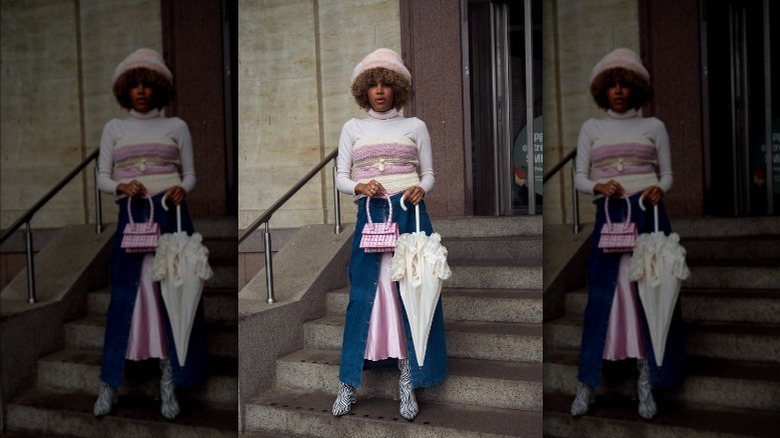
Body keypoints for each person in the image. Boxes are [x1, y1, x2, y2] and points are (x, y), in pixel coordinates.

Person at [332, 48, 447, 421]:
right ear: (364, 90)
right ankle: (347, 384)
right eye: (373, 84)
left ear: (397, 88)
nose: (379, 91)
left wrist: (421, 189)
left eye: (386, 84)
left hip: (410, 216)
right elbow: (340, 177)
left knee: (412, 295)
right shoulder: (353, 128)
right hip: (371, 214)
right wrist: (359, 186)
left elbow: (428, 172)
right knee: (365, 295)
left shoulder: (415, 126)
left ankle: (408, 380)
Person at [571, 48, 686, 419]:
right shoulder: (592, 128)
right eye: (612, 85)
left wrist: (660, 189)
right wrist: (599, 186)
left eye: (625, 84)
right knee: (604, 296)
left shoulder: (654, 126)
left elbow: (666, 172)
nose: (618, 91)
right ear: (603, 90)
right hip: (611, 215)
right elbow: (580, 177)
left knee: (651, 295)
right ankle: (586, 383)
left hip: (648, 217)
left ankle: (647, 380)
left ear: (635, 88)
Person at [94, 48, 208, 419]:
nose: (141, 91)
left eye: (148, 84)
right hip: (133, 216)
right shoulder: (114, 128)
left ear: (158, 88)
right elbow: (102, 176)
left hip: (170, 218)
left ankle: (170, 382)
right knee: (127, 296)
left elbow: (189, 173)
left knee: (172, 296)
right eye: (135, 85)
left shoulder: (176, 126)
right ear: (126, 90)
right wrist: (121, 186)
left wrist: (182, 189)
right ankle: (109, 383)